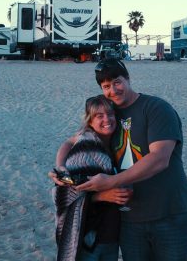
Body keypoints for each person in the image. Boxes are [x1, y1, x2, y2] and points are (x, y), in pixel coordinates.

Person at [78, 58, 187, 260]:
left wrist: (111, 182)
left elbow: (160, 158)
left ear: (128, 79)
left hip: (168, 214)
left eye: (117, 82)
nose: (113, 90)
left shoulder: (156, 108)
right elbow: (76, 139)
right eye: (106, 86)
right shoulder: (109, 115)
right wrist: (60, 164)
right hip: (129, 220)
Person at [52, 95, 132, 261]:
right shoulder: (85, 147)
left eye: (110, 114)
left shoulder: (116, 143)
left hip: (110, 235)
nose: (107, 119)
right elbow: (63, 194)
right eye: (99, 116)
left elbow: (68, 141)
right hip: (88, 239)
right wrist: (101, 196)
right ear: (90, 121)